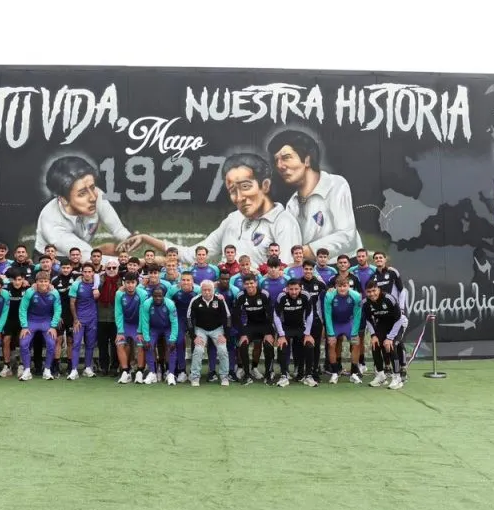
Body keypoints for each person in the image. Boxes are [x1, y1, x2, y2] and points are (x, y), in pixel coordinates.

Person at [141, 153, 301, 267]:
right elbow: (193, 254)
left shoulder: (284, 223)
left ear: (264, 185)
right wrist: (146, 238)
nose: (239, 197)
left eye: (245, 186)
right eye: (232, 190)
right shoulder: (233, 219)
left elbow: (285, 272)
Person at [268, 129, 362, 259]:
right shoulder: (292, 204)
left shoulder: (335, 185)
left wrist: (302, 252)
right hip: (310, 271)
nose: (280, 166)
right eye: (276, 161)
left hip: (345, 266)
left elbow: (347, 237)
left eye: (286, 158)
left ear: (307, 160)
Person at [34, 155, 134, 259]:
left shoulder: (97, 195)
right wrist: (141, 262)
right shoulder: (51, 222)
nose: (93, 198)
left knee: (113, 249)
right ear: (63, 199)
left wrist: (129, 238)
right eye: (82, 194)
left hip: (82, 253)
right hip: (53, 260)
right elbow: (88, 258)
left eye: (92, 187)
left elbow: (118, 229)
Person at [362, 281, 406, 390]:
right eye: (369, 292)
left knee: (390, 346)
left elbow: (399, 318)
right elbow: (369, 320)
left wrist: (390, 338)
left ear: (378, 289)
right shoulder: (365, 303)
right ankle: (381, 376)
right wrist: (373, 335)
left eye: (374, 291)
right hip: (383, 324)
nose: (372, 294)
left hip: (398, 323)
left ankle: (397, 377)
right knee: (375, 344)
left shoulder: (389, 299)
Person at [19, 272, 62, 381]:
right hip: (31, 321)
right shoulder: (30, 292)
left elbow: (58, 310)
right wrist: (24, 326)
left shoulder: (54, 293)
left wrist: (53, 326)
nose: (43, 283)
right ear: (36, 282)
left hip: (46, 321)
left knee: (52, 343)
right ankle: (27, 370)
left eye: (45, 281)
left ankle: (47, 370)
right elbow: (22, 309)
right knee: (23, 343)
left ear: (49, 282)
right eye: (40, 281)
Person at [187, 280, 232, 387]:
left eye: (209, 290)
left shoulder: (220, 300)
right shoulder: (195, 300)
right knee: (198, 349)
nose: (207, 292)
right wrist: (194, 336)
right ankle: (195, 376)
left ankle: (224, 376)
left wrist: (225, 335)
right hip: (200, 329)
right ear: (200, 290)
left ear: (213, 290)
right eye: (204, 290)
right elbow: (189, 318)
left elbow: (228, 317)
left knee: (222, 350)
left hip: (217, 329)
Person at [272, 279, 315, 387]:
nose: (294, 292)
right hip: (286, 327)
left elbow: (310, 314)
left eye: (296, 289)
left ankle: (308, 376)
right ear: (287, 289)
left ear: (300, 288)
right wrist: (281, 335)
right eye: (291, 289)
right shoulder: (281, 296)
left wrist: (308, 333)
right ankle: (283, 376)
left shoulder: (305, 295)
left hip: (301, 327)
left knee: (309, 345)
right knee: (282, 345)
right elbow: (276, 316)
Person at [233, 274, 274, 386]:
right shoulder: (241, 296)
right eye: (247, 284)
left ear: (256, 283)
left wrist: (269, 333)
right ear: (243, 285)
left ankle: (268, 374)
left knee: (268, 345)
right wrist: (242, 333)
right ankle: (247, 375)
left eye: (251, 283)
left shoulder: (264, 294)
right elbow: (236, 316)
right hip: (250, 325)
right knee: (243, 344)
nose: (249, 285)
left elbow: (271, 315)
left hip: (265, 325)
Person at [324, 276, 364, 384]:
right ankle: (335, 373)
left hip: (348, 323)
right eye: (340, 286)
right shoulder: (329, 295)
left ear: (349, 286)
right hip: (335, 323)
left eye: (345, 286)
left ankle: (354, 373)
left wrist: (354, 333)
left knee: (356, 343)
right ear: (336, 286)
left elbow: (357, 315)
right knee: (332, 344)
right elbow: (327, 315)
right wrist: (331, 334)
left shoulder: (356, 296)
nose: (342, 289)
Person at [67, 263, 100, 380]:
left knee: (90, 345)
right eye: (85, 272)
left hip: (93, 319)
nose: (87, 274)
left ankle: (87, 368)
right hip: (79, 320)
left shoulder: (96, 284)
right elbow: (72, 303)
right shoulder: (76, 285)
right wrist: (75, 319)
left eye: (89, 272)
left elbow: (102, 275)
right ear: (82, 273)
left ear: (93, 273)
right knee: (76, 344)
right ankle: (74, 370)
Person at [139, 286, 178, 385]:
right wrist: (146, 339)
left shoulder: (170, 304)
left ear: (163, 296)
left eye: (160, 296)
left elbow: (174, 322)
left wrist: (173, 339)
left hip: (167, 328)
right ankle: (152, 373)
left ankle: (171, 374)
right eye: (155, 296)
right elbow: (145, 322)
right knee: (148, 345)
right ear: (152, 296)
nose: (157, 298)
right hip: (154, 328)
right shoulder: (147, 304)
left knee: (172, 346)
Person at [165, 273, 199, 383]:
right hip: (179, 319)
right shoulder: (173, 290)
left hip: (194, 320)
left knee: (197, 343)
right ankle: (182, 371)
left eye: (188, 280)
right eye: (183, 280)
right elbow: (166, 303)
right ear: (180, 281)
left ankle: (194, 372)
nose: (185, 282)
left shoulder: (198, 290)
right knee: (179, 342)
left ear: (192, 281)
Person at [114, 272, 148, 384]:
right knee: (119, 343)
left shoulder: (142, 294)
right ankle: (125, 371)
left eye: (132, 283)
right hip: (126, 325)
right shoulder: (119, 294)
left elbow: (143, 313)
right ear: (124, 283)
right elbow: (118, 313)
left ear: (136, 283)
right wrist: (120, 331)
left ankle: (139, 372)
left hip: (138, 325)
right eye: (128, 283)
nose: (130, 285)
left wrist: (140, 331)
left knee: (140, 344)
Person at [299, 260, 328, 384]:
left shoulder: (319, 283)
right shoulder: (298, 283)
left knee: (315, 347)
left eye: (310, 269)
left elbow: (328, 294)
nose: (308, 271)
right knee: (301, 346)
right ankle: (301, 371)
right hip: (302, 321)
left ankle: (314, 371)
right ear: (303, 269)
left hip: (316, 320)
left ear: (313, 270)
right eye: (306, 269)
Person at [0, 269, 28, 377]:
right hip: (8, 319)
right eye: (14, 280)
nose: (17, 282)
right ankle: (7, 366)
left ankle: (21, 365)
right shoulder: (6, 288)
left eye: (19, 280)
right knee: (6, 340)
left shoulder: (28, 289)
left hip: (22, 320)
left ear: (23, 279)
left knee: (22, 342)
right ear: (11, 280)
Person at [51, 260, 77, 375]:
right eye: (64, 267)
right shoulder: (55, 280)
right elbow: (52, 300)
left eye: (68, 267)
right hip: (60, 315)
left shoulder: (77, 279)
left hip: (72, 316)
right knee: (58, 340)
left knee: (71, 341)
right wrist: (57, 316)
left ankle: (70, 366)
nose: (66, 270)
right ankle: (56, 366)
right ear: (60, 268)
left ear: (71, 268)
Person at [96, 261, 122, 375]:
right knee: (102, 344)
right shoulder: (98, 280)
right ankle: (104, 367)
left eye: (114, 267)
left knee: (115, 343)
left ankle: (114, 366)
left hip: (116, 318)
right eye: (109, 267)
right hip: (100, 317)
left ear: (118, 268)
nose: (111, 269)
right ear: (105, 269)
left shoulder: (122, 281)